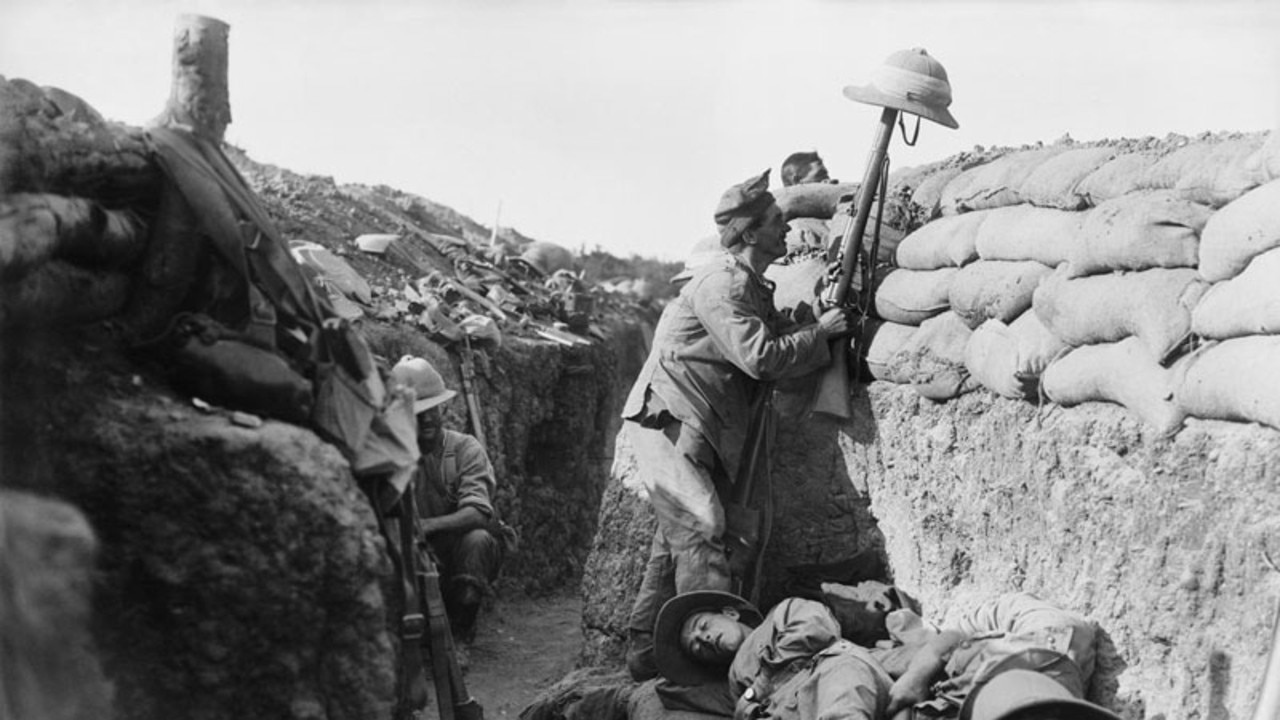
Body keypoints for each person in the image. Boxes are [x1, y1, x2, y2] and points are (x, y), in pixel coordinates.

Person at [620, 169, 853, 680]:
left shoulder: (749, 285)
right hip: (670, 419)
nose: (786, 231)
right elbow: (759, 357)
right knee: (703, 527)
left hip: (703, 425)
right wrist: (819, 335)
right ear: (750, 233)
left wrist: (809, 323)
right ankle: (712, 672)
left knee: (677, 542)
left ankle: (644, 657)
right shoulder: (721, 284)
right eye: (775, 223)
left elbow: (769, 335)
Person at [390, 355, 506, 643]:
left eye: (432, 409)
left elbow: (478, 513)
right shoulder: (391, 455)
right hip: (411, 554)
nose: (427, 418)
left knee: (477, 541)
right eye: (417, 412)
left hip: (455, 554)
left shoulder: (464, 449)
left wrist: (426, 526)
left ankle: (461, 634)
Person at [652, 590, 894, 719]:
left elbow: (817, 628)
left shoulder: (780, 613)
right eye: (697, 648)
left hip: (827, 676)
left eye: (704, 625)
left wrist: (763, 681)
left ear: (731, 613)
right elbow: (665, 689)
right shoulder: (733, 685)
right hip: (784, 711)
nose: (703, 638)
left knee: (844, 685)